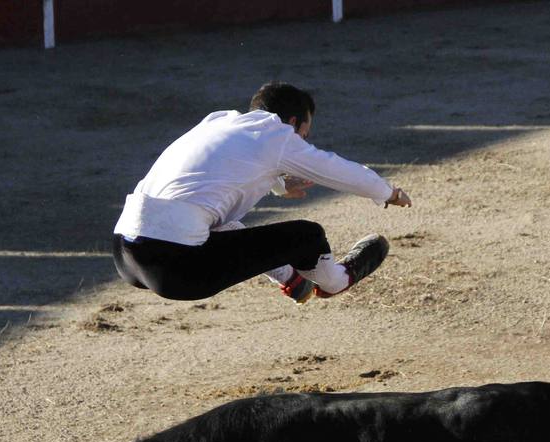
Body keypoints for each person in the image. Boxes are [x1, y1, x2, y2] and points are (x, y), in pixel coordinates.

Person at [110, 82, 412, 304]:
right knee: (307, 235)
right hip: (176, 267)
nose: (302, 142)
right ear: (293, 123)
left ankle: (291, 280)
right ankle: (335, 281)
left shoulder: (218, 122)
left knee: (221, 223)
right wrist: (387, 192)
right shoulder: (278, 134)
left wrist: (280, 185)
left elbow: (217, 170)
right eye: (304, 135)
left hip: (125, 252)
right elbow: (337, 170)